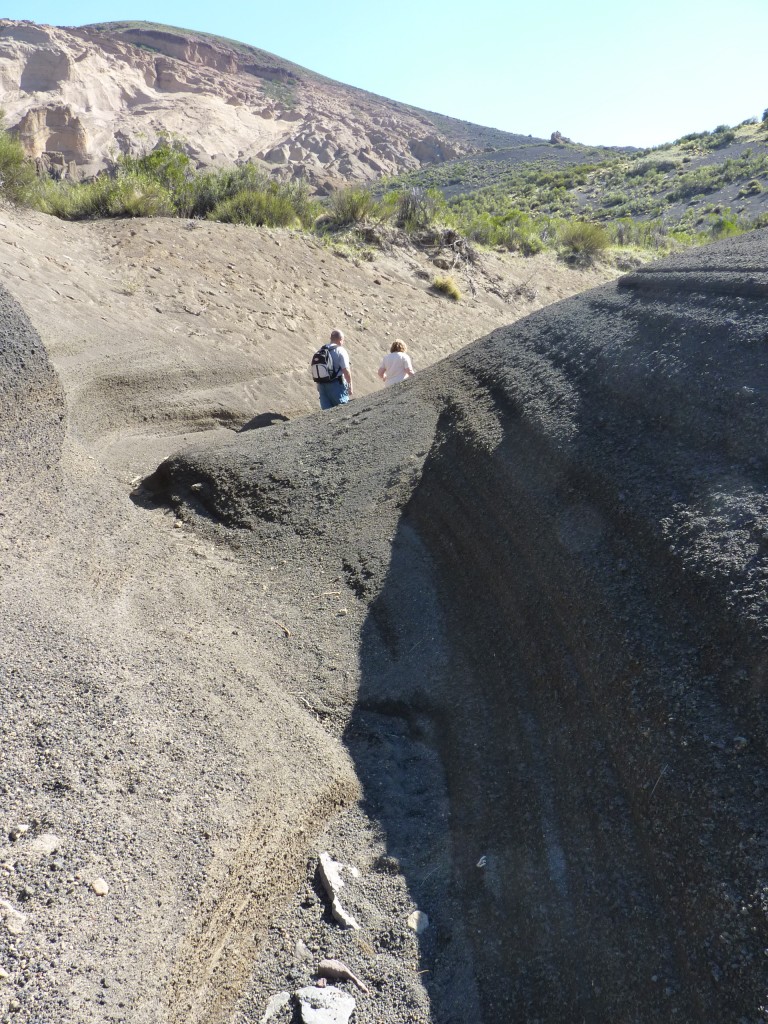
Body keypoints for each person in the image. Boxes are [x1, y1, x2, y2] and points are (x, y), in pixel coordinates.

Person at [316, 329, 353, 409]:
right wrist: (350, 385)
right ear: (340, 340)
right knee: (342, 410)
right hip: (336, 385)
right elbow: (346, 370)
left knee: (327, 414)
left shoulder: (321, 350)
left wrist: (318, 385)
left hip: (322, 386)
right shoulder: (340, 350)